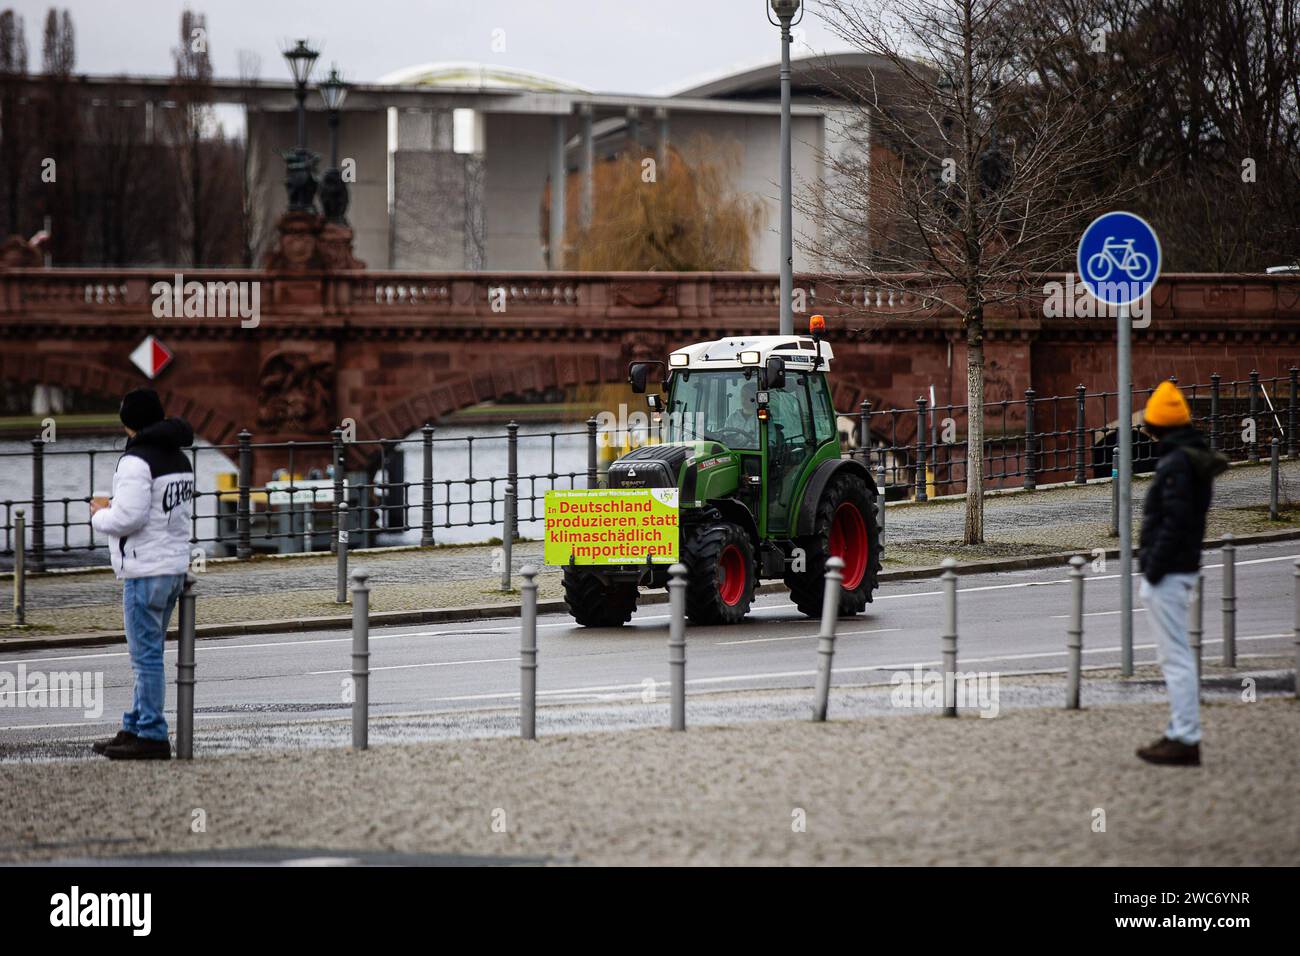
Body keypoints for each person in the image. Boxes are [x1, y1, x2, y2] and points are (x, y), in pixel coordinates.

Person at [89, 389, 195, 760]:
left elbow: (129, 518)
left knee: (145, 657)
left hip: (145, 569)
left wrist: (99, 513)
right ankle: (134, 725)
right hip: (173, 568)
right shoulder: (180, 458)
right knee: (149, 652)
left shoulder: (136, 461)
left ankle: (151, 734)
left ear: (128, 422)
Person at [1135, 380, 1227, 767]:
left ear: (1160, 427)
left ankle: (1185, 736)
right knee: (1177, 655)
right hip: (1178, 568)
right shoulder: (1189, 457)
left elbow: (1175, 520)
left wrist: (1153, 567)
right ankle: (1179, 731)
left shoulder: (1176, 463)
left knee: (1176, 658)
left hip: (1170, 571)